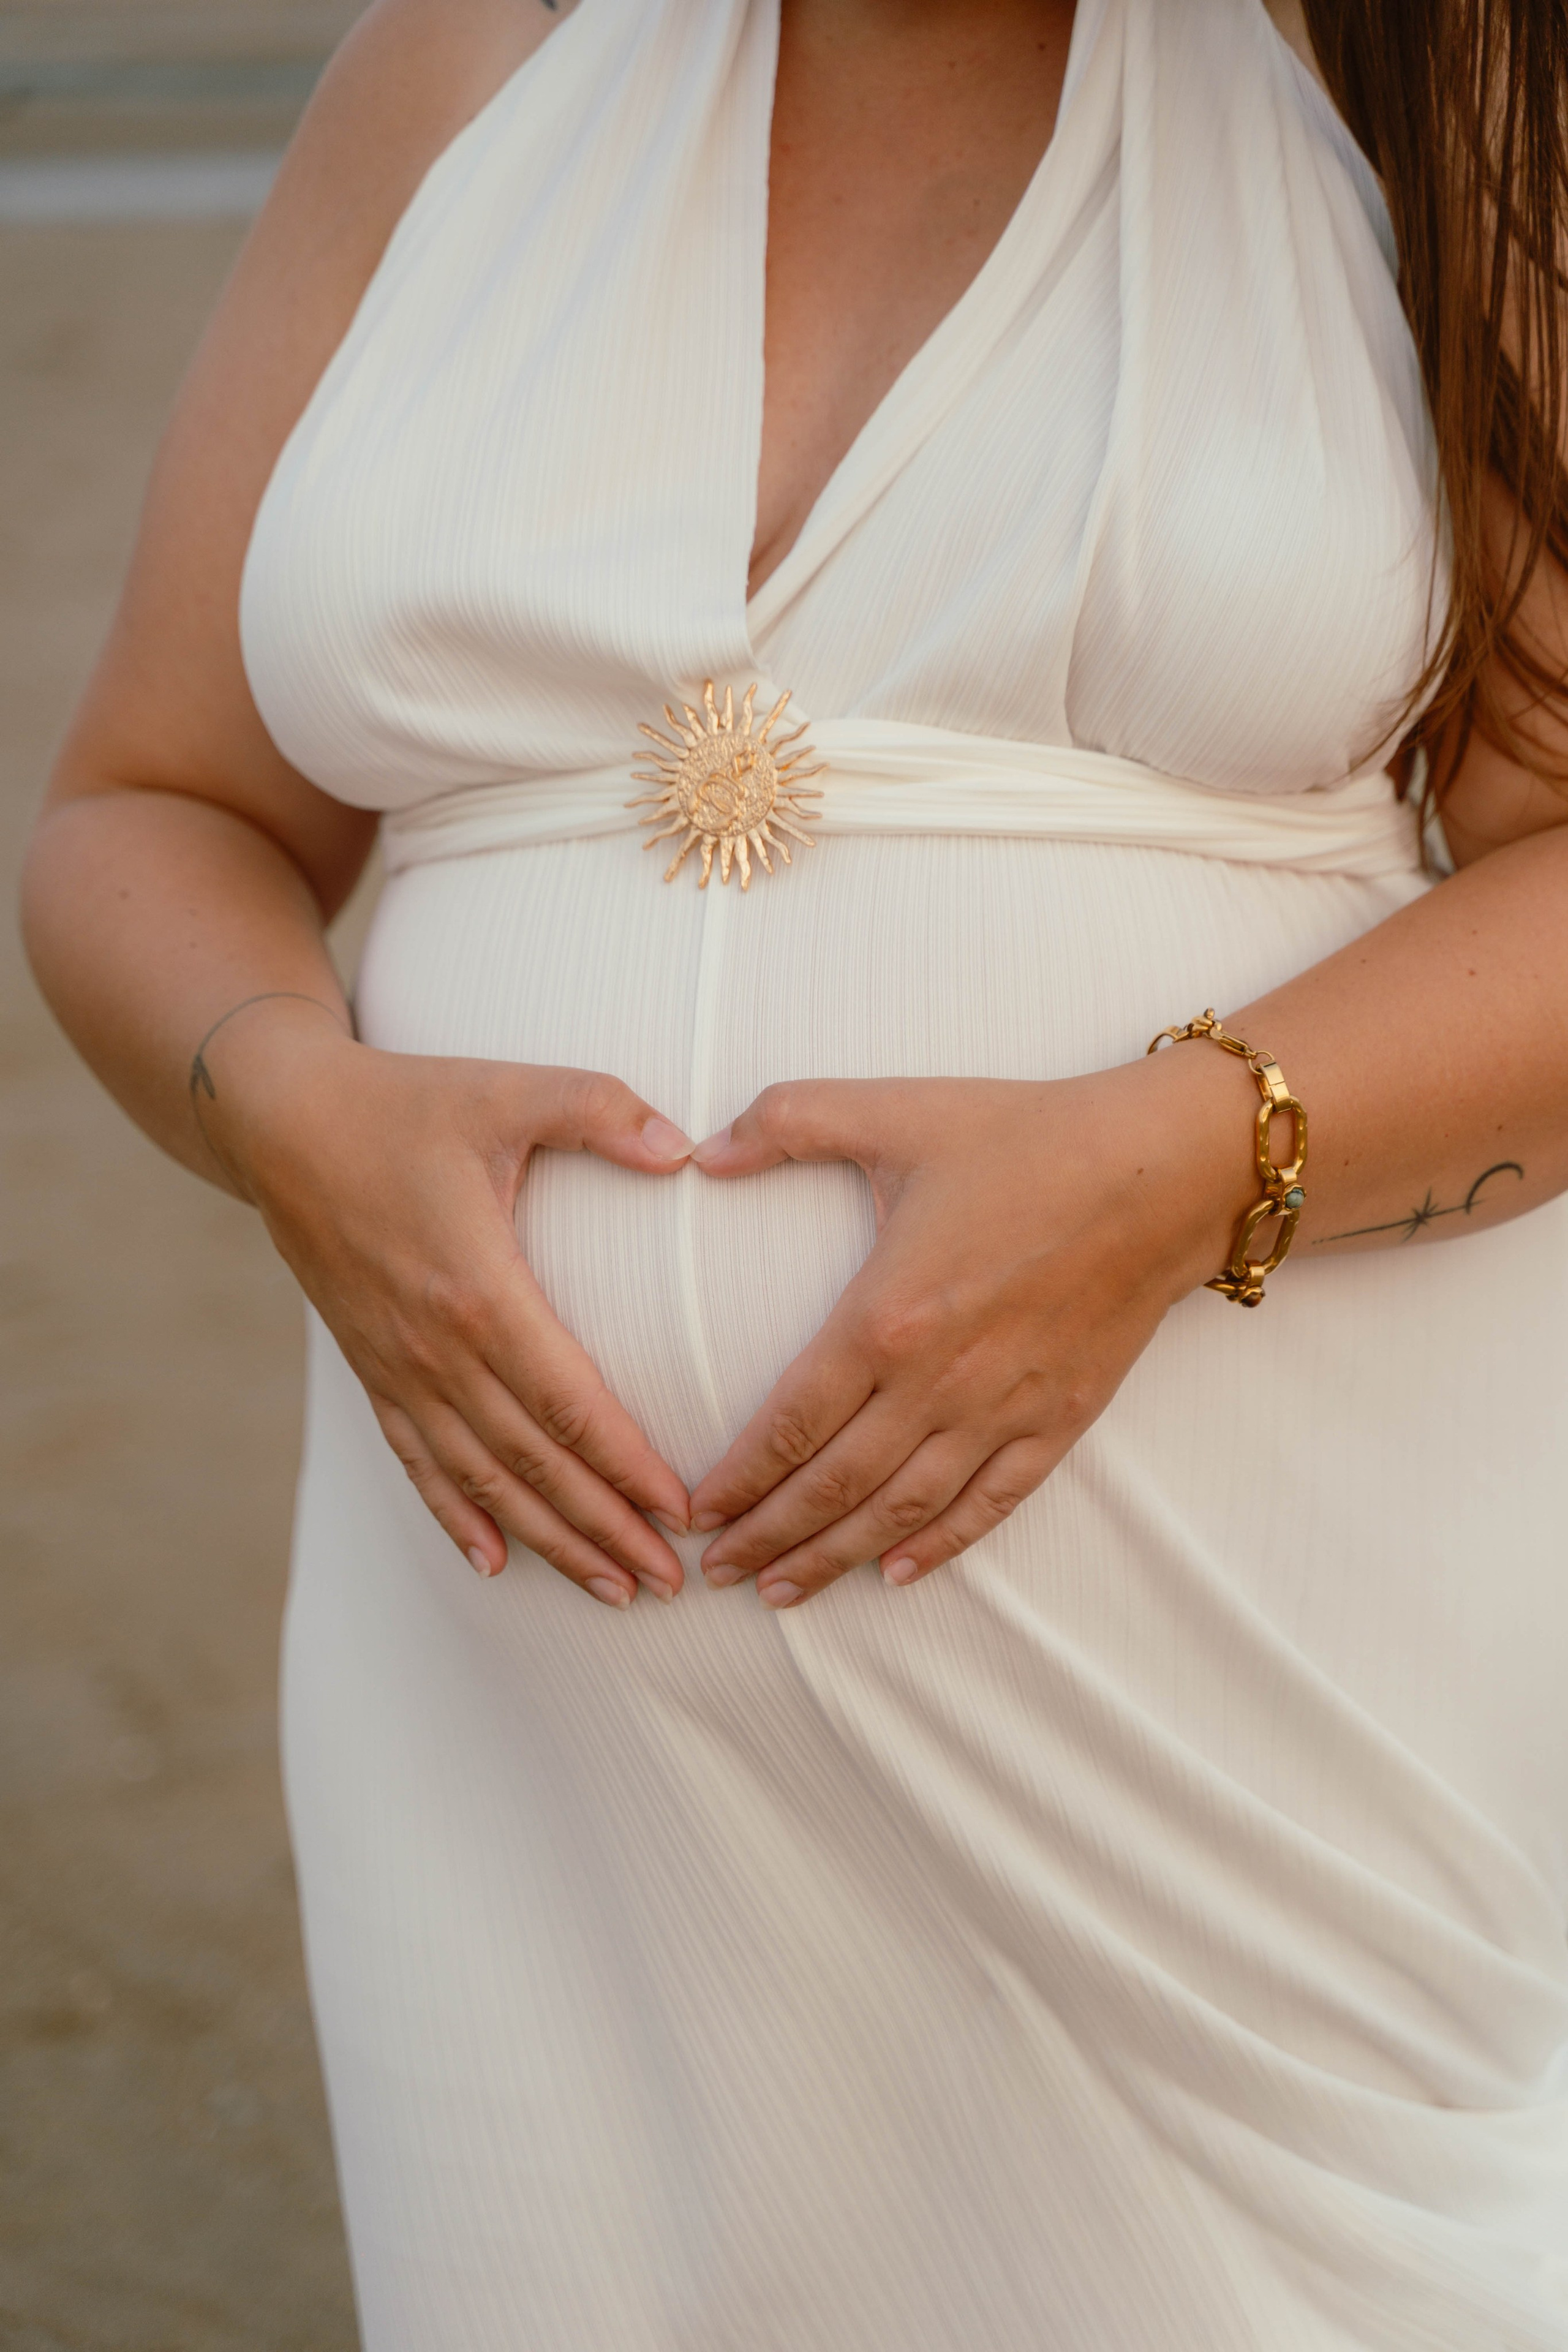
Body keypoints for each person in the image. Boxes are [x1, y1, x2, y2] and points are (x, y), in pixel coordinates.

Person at [21, 0, 1568, 2341]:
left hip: (1234, 1714)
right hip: (522, 1750)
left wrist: (1175, 1161)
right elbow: (151, 807)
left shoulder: (1431, 70)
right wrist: (284, 1103)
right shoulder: (465, 65)